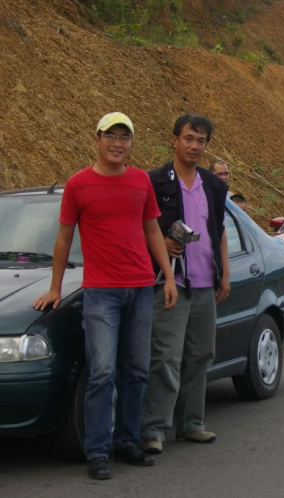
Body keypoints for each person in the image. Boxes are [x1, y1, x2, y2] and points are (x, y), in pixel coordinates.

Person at [32, 112, 178, 480]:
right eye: (111, 135)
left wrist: (169, 277)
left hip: (142, 287)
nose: (117, 143)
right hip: (101, 294)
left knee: (136, 370)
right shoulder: (78, 184)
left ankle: (127, 442)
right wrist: (54, 286)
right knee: (101, 372)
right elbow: (64, 238)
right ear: (96, 139)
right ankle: (97, 451)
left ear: (131, 143)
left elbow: (152, 230)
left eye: (124, 137)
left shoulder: (140, 180)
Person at [141, 114, 230, 455]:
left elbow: (218, 231)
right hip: (171, 283)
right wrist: (161, 243)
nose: (195, 146)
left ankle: (192, 424)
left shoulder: (214, 184)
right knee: (165, 358)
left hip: (206, 283)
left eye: (201, 141)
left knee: (201, 354)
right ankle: (154, 430)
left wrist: (225, 273)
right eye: (189, 138)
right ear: (174, 140)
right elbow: (142, 229)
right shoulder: (154, 182)